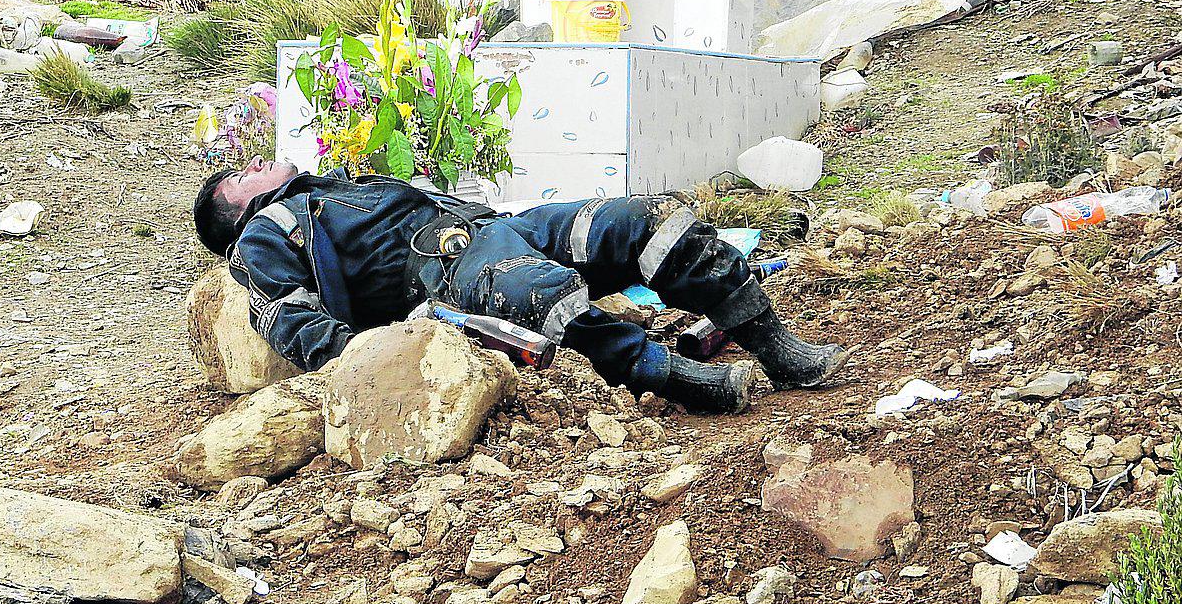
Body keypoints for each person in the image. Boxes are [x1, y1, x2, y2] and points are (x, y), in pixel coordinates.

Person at [193, 158, 848, 414]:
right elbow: (293, 323)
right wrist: (382, 351)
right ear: (235, 210)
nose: (257, 160)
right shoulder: (261, 237)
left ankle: (778, 348)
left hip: (502, 227)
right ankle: (674, 376)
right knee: (539, 292)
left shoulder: (334, 186)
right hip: (446, 280)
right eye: (242, 173)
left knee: (641, 220)